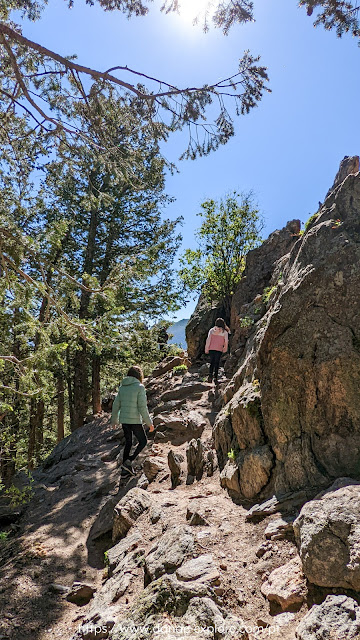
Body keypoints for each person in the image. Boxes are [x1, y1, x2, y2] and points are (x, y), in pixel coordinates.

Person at [111, 365, 154, 476]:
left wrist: (114, 421)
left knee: (128, 443)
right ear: (139, 376)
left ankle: (125, 471)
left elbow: (116, 405)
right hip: (135, 421)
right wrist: (149, 424)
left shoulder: (122, 387)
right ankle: (129, 461)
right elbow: (142, 408)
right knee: (143, 441)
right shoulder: (140, 387)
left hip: (124, 421)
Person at [204, 318, 229, 384]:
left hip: (211, 349)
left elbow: (208, 340)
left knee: (212, 362)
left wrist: (206, 349)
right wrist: (225, 349)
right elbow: (226, 341)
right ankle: (215, 378)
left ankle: (210, 376)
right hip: (219, 349)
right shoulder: (224, 332)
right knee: (217, 363)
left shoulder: (212, 330)